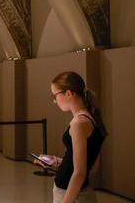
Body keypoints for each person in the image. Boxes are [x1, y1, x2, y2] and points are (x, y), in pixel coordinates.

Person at [35, 71, 107, 203]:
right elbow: (92, 166)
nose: (54, 101)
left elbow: (79, 173)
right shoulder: (92, 117)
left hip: (69, 193)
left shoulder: (79, 123)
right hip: (80, 191)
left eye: (55, 95)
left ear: (68, 93)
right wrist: (56, 161)